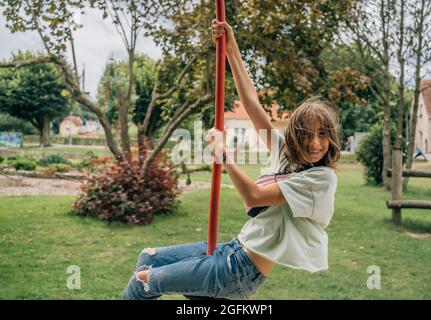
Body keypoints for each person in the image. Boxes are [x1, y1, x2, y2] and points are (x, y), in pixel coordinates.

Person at [122, 19, 341, 300]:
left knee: (142, 282)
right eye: (308, 134)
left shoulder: (321, 178)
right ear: (296, 135)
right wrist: (230, 46)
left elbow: (254, 194)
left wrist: (222, 153)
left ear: (332, 137)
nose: (315, 142)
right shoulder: (287, 153)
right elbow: (251, 103)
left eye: (323, 134)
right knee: (148, 259)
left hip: (239, 271)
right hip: (232, 249)